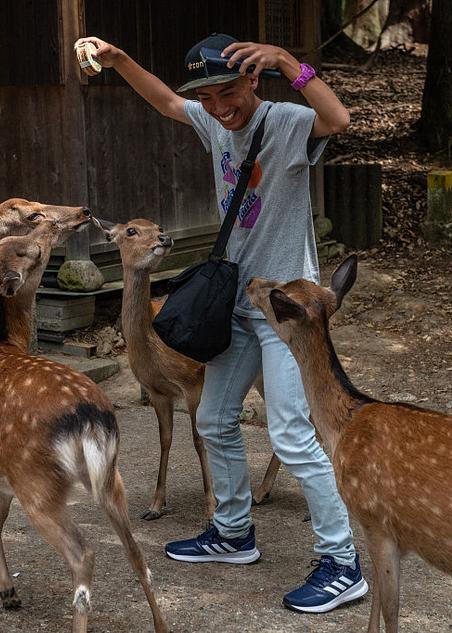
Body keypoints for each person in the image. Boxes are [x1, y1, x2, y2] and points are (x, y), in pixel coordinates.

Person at [75, 32, 366, 613]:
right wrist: (121, 59)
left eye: (227, 92)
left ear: (253, 80)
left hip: (286, 310)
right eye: (207, 98)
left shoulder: (284, 119)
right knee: (213, 416)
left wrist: (289, 63)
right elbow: (166, 103)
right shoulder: (212, 123)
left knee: (289, 430)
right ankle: (233, 533)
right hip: (237, 299)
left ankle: (342, 561)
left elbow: (338, 119)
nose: (217, 107)